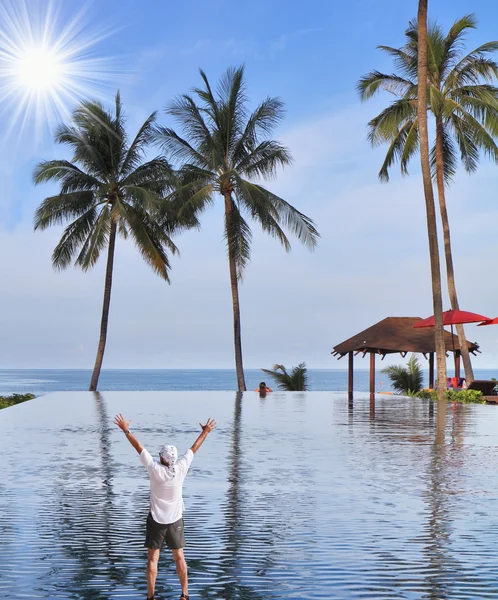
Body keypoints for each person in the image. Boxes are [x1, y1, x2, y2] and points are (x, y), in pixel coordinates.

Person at [113, 413, 216, 600]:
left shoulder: (154, 469)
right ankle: (185, 594)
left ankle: (151, 597)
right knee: (180, 558)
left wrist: (126, 429)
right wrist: (206, 432)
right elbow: (194, 448)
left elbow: (138, 447)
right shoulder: (182, 468)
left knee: (153, 559)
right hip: (175, 520)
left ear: (162, 458)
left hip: (156, 521)